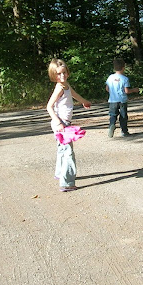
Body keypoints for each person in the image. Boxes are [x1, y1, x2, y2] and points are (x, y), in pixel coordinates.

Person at [46, 59, 91, 191]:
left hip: (63, 123)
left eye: (64, 72)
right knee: (68, 153)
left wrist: (84, 101)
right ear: (54, 75)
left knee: (62, 150)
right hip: (61, 124)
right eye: (58, 74)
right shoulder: (59, 88)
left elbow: (74, 95)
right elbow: (49, 107)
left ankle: (60, 173)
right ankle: (67, 183)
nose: (62, 76)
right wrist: (58, 123)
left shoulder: (66, 85)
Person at [105, 58, 139, 138]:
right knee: (123, 116)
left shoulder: (110, 77)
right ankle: (124, 131)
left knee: (113, 115)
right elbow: (126, 91)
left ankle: (112, 125)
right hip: (122, 100)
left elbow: (107, 88)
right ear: (123, 68)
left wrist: (113, 92)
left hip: (112, 100)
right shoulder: (125, 79)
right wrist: (134, 90)